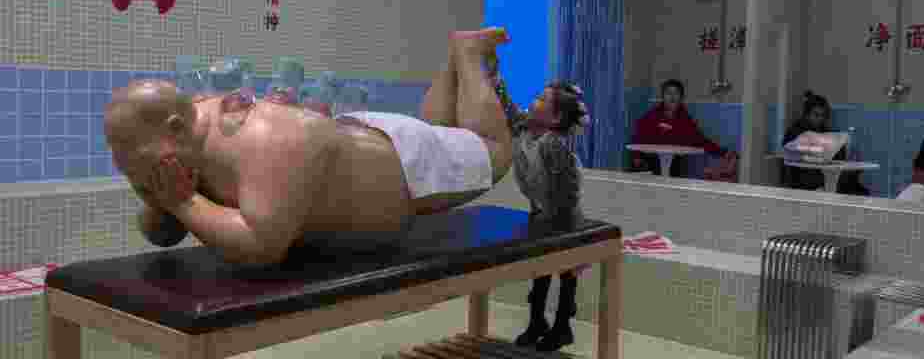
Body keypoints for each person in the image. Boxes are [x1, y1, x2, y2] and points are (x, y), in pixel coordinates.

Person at [105, 28, 516, 267]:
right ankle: (455, 53)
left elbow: (261, 246)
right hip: (362, 142)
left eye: (129, 157)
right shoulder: (183, 141)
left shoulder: (264, 138)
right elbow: (162, 233)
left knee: (492, 151)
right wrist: (166, 200)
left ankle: (467, 54)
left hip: (399, 167)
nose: (124, 168)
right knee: (442, 132)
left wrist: (181, 202)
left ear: (176, 128)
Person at [488, 62, 588, 353]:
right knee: (540, 268)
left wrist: (559, 226)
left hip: (563, 215)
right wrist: (496, 79)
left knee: (565, 270)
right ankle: (536, 322)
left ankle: (562, 326)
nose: (534, 101)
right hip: (541, 209)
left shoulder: (553, 145)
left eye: (542, 100)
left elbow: (566, 192)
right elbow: (508, 109)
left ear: (555, 118)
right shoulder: (523, 128)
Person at [630, 79, 733, 177]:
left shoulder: (685, 120)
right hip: (650, 162)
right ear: (662, 96)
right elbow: (638, 136)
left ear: (681, 97)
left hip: (675, 164)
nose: (672, 96)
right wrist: (636, 156)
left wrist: (722, 152)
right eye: (668, 93)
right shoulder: (651, 116)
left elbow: (699, 139)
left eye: (676, 93)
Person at [782, 91, 869, 195]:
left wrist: (844, 151)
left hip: (823, 177)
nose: (820, 119)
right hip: (804, 179)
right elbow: (791, 152)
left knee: (858, 189)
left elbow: (835, 152)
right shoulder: (795, 131)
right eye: (816, 115)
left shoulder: (824, 130)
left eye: (823, 115)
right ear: (806, 115)